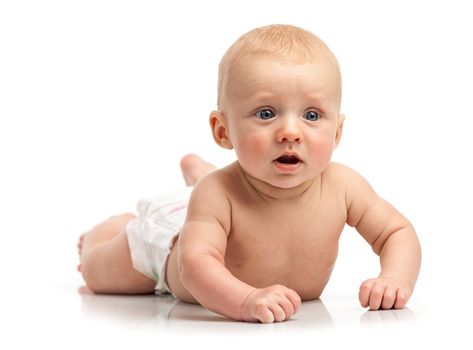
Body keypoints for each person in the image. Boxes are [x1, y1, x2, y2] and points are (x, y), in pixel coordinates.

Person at [77, 24, 421, 324]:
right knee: (100, 273)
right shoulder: (217, 194)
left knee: (208, 194)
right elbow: (194, 263)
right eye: (267, 113)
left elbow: (396, 232)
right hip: (168, 244)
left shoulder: (344, 186)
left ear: (337, 132)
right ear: (223, 131)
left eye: (312, 115)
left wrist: (394, 278)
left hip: (205, 208)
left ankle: (197, 173)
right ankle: (109, 229)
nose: (290, 132)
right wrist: (245, 300)